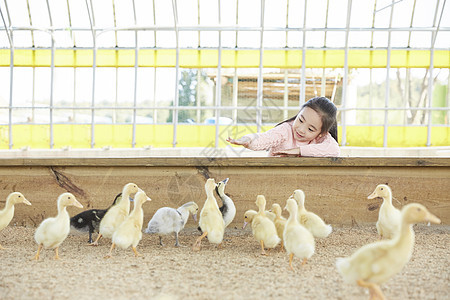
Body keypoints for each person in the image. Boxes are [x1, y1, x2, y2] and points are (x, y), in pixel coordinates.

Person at [226, 97, 340, 157]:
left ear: (321, 133)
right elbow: (265, 138)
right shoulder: (286, 130)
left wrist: (298, 151)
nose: (301, 129)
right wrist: (249, 139)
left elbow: (334, 150)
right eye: (300, 120)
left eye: (310, 129)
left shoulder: (321, 139)